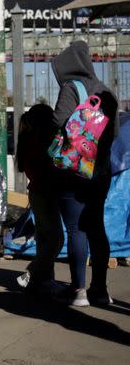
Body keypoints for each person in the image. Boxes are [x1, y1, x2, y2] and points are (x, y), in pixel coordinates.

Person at [51, 40, 118, 307]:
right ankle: (100, 290)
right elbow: (111, 134)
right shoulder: (105, 91)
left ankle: (78, 290)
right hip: (100, 170)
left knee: (76, 230)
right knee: (96, 227)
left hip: (74, 170)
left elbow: (59, 122)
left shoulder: (71, 88)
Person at [15, 104, 63, 294]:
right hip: (45, 193)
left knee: (44, 238)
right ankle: (32, 272)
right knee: (56, 239)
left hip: (37, 193)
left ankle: (43, 280)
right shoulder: (42, 142)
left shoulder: (28, 139)